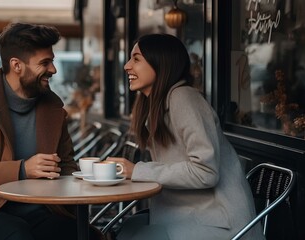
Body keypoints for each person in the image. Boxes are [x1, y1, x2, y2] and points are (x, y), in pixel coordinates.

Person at [0, 22, 103, 240]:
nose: (53, 69)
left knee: (85, 235)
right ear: (17, 65)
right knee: (16, 234)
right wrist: (22, 169)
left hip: (40, 211)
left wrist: (86, 181)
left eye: (52, 61)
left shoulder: (53, 108)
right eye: (45, 62)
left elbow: (66, 165)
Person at [107, 34, 264, 240]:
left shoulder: (183, 98)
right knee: (125, 230)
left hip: (219, 222)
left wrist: (138, 170)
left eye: (136, 59)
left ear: (161, 63)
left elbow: (206, 172)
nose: (127, 66)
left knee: (129, 235)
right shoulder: (157, 105)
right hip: (185, 216)